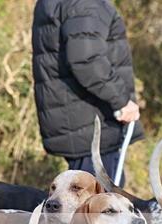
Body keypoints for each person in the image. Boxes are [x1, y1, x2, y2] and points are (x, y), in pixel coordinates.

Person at [32, 0, 143, 188]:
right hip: (92, 125)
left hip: (79, 122)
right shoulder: (86, 3)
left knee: (85, 202)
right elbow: (87, 60)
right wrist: (122, 100)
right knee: (99, 206)